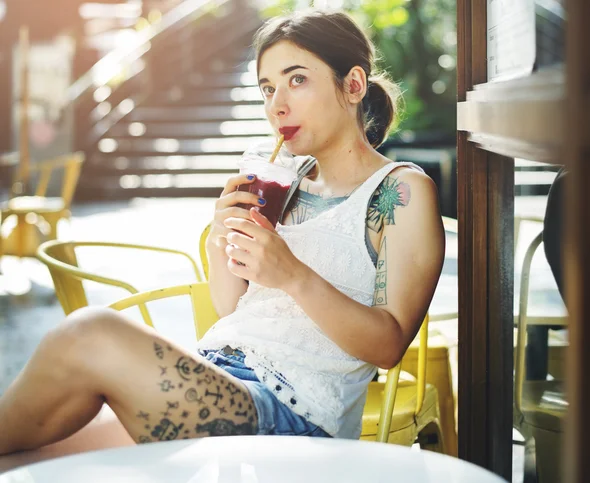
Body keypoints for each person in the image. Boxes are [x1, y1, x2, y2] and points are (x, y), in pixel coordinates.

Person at [0, 9, 444, 458]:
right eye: (267, 89)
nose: (277, 105)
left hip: (290, 417)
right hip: (219, 377)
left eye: (296, 80)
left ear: (352, 84)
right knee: (27, 458)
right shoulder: (284, 180)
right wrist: (221, 240)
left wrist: (292, 274)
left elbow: (388, 345)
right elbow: (232, 310)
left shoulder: (400, 192)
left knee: (89, 332)